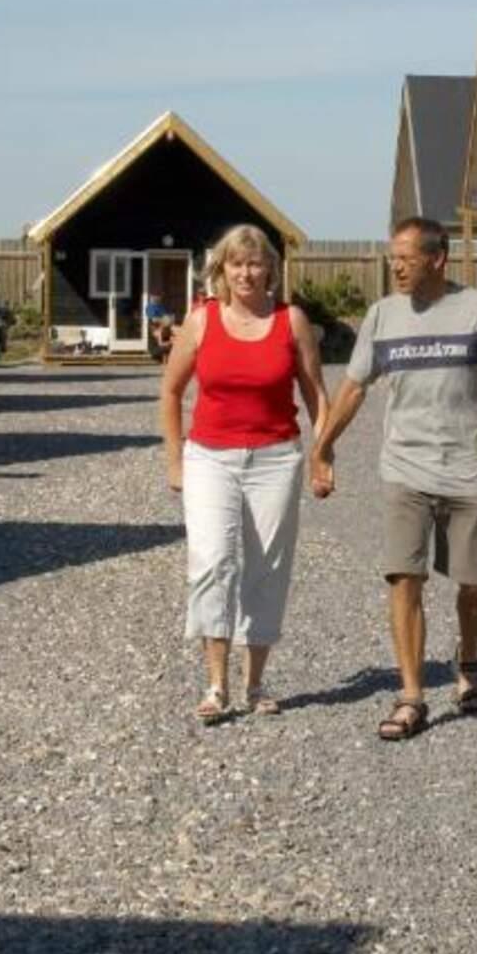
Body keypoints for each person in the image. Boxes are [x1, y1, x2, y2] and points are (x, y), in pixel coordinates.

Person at [309, 216, 477, 741]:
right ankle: (411, 696)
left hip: (470, 467)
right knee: (404, 576)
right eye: (392, 259)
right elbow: (354, 387)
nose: (396, 268)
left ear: (438, 259)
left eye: (406, 258)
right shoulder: (382, 316)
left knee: (474, 581)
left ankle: (468, 657)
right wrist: (323, 445)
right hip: (405, 469)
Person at [159, 225, 327, 726]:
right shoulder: (201, 320)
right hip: (210, 458)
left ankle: (255, 682)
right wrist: (174, 460)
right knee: (211, 561)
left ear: (270, 269)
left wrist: (323, 455)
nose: (246, 273)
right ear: (222, 269)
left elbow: (316, 395)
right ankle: (216, 684)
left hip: (275, 458)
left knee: (267, 567)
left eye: (255, 263)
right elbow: (170, 391)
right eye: (236, 264)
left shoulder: (291, 321)